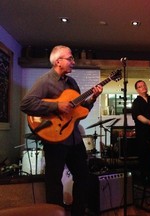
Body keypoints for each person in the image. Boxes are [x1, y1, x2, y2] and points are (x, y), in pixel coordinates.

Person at [20, 45, 103, 216]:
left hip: (74, 138)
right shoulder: (45, 81)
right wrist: (56, 105)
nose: (73, 61)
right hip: (55, 140)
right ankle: (55, 213)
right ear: (58, 61)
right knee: (54, 182)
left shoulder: (72, 83)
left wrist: (93, 98)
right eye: (70, 58)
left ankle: (78, 212)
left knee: (83, 177)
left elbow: (80, 110)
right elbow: (26, 104)